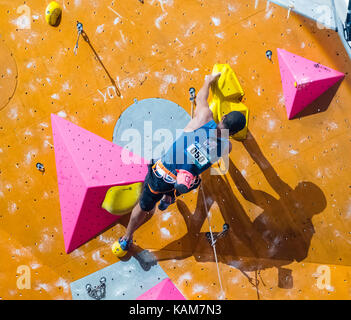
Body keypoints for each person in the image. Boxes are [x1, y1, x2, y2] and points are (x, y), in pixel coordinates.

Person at [118, 72, 246, 251]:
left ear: (223, 117)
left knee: (143, 206)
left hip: (161, 176)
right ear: (233, 133)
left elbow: (201, 97)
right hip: (184, 180)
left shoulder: (204, 118)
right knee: (190, 180)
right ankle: (170, 197)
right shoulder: (227, 148)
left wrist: (208, 80)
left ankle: (126, 237)